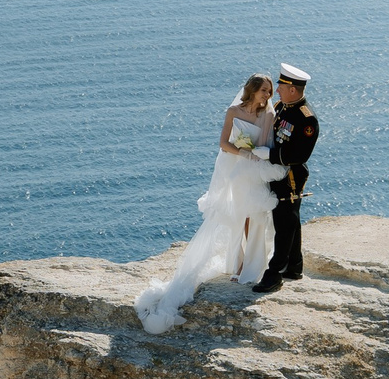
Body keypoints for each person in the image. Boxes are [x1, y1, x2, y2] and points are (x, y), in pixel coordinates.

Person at [133, 74, 287, 333]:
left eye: (270, 91)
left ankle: (253, 267)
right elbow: (223, 143)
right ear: (251, 90)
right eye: (263, 90)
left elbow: (266, 144)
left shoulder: (268, 115)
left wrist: (255, 153)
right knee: (239, 217)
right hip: (238, 172)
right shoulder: (233, 111)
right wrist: (243, 151)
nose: (267, 96)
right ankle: (237, 266)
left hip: (256, 173)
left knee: (256, 219)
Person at [252, 64, 318, 293]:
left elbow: (299, 154)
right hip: (275, 171)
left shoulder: (306, 119)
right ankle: (294, 265)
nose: (276, 90)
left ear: (293, 89)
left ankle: (274, 273)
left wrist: (269, 154)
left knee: (284, 221)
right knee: (290, 218)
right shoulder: (282, 107)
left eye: (281, 86)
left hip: (290, 175)